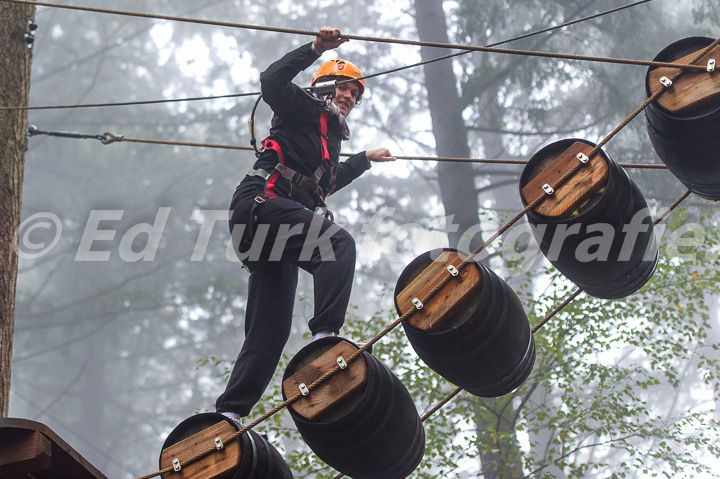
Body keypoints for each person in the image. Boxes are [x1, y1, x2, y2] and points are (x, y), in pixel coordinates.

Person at [215, 27, 395, 420]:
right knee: (337, 245)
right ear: (324, 86)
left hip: (272, 223)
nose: (350, 96)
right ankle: (326, 338)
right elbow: (270, 81)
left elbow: (325, 185)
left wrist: (364, 158)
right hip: (262, 203)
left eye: (356, 94)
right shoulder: (301, 106)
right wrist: (315, 48)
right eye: (344, 88)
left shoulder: (329, 141)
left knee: (270, 331)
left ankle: (229, 414)